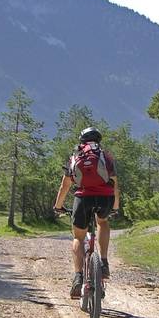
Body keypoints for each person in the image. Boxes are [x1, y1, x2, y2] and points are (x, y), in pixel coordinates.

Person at [53, 127, 120, 298]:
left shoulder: (75, 156)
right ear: (98, 141)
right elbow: (114, 184)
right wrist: (115, 207)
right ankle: (103, 262)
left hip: (83, 198)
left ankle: (78, 277)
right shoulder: (106, 156)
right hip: (105, 197)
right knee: (102, 222)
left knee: (78, 237)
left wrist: (58, 206)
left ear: (81, 141)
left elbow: (65, 185)